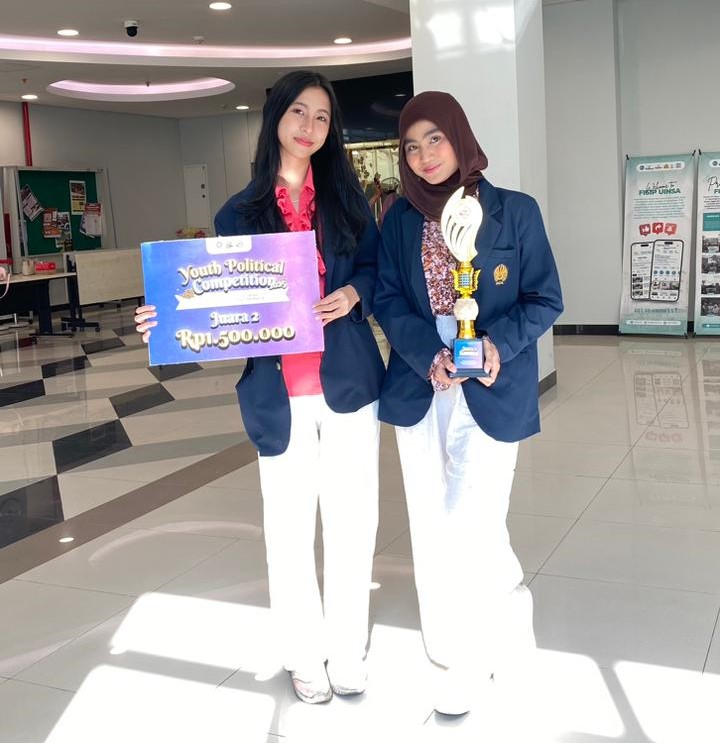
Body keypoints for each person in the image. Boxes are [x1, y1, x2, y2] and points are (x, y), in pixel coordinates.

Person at [135, 71, 385, 704]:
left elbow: (378, 271)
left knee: (354, 525)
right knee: (289, 532)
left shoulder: (348, 202)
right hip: (278, 394)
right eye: (298, 111)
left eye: (322, 117)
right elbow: (218, 298)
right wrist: (166, 314)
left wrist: (353, 292)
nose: (309, 126)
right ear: (276, 117)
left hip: (349, 384)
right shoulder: (237, 213)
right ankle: (304, 655)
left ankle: (348, 651)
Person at [373, 91, 563, 716]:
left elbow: (545, 298)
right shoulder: (400, 220)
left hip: (490, 384)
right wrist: (427, 352)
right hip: (421, 383)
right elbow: (387, 298)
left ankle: (471, 662)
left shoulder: (515, 211)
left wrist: (496, 345)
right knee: (432, 521)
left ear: (460, 137)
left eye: (436, 138)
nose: (425, 155)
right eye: (411, 146)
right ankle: (459, 638)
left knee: (467, 521)